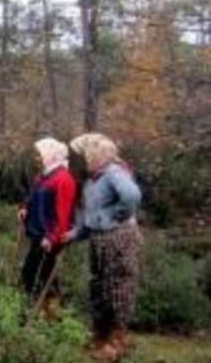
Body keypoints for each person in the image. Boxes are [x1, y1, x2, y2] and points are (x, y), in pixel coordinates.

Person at [67, 133, 143, 362]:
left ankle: (116, 342)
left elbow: (131, 195)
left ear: (94, 154)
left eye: (82, 155)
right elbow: (89, 218)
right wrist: (72, 235)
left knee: (118, 287)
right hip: (100, 239)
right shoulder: (93, 180)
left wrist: (116, 216)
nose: (78, 159)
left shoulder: (113, 172)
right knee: (99, 287)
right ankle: (100, 336)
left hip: (119, 237)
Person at [17, 137, 77, 319]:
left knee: (36, 275)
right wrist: (24, 209)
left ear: (52, 155)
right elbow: (32, 197)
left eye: (40, 154)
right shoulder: (43, 175)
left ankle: (46, 316)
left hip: (51, 238)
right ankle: (45, 316)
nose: (37, 158)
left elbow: (63, 215)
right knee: (36, 275)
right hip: (38, 235)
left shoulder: (63, 179)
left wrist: (51, 237)